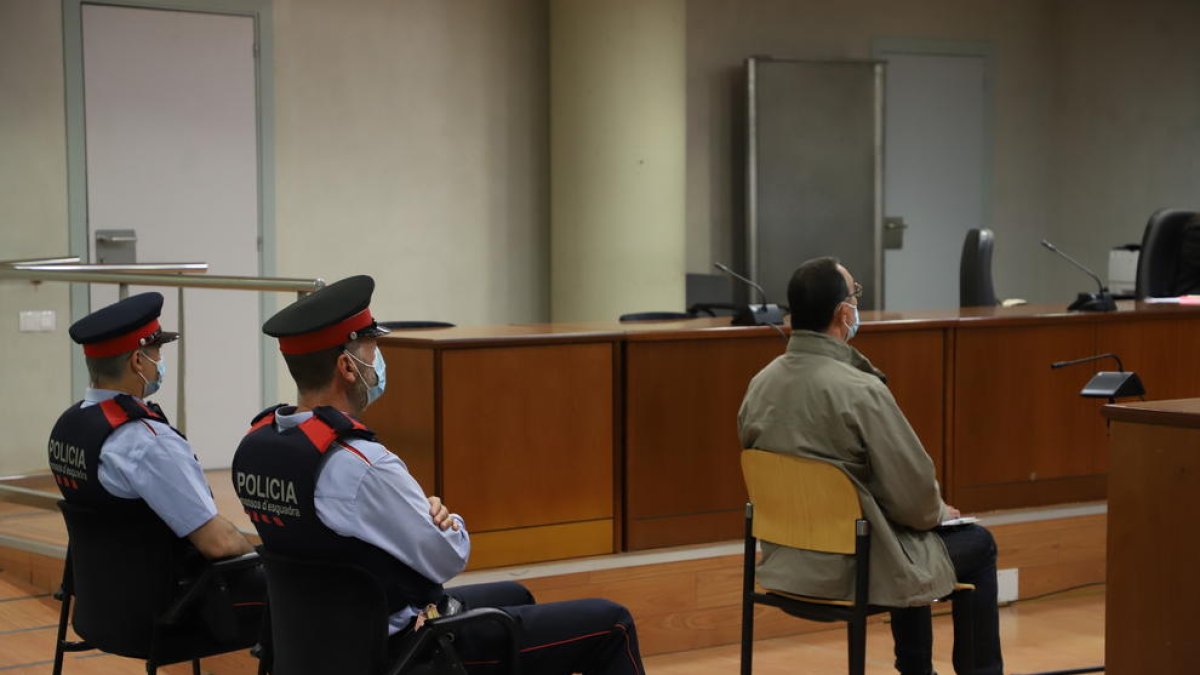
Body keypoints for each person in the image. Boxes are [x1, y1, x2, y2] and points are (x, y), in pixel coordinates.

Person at [233, 275, 644, 674]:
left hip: (319, 648)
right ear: (346, 365)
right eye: (372, 347)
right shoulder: (361, 464)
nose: (378, 358)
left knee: (516, 595)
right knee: (613, 623)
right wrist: (446, 519)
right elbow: (448, 556)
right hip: (405, 652)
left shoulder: (257, 448)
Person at [737, 257, 1002, 675]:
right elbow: (915, 500)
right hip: (850, 568)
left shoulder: (760, 384)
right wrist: (936, 513)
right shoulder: (860, 391)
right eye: (855, 294)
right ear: (844, 313)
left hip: (783, 564)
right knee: (976, 543)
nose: (857, 304)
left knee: (902, 534)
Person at [48, 292, 265, 645]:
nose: (160, 362)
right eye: (157, 352)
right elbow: (218, 543)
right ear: (137, 360)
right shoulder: (147, 442)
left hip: (99, 606)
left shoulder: (69, 426)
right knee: (296, 596)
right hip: (165, 615)